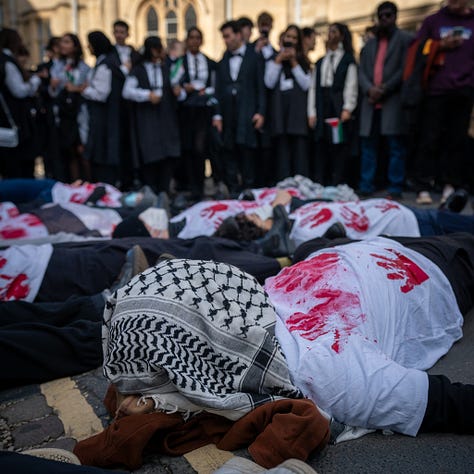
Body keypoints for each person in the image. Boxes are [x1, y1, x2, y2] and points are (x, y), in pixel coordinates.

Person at [265, 232, 474, 436]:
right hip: (422, 265)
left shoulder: (251, 306)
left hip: (343, 249)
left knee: (308, 246)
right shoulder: (327, 374)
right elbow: (446, 402)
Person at [412, 0, 474, 206]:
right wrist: (440, 46)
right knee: (430, 138)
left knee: (457, 140)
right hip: (436, 90)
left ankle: (451, 184)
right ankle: (423, 184)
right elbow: (417, 50)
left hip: (464, 90)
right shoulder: (434, 20)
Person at [358, 2, 413, 198]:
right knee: (368, 147)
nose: (384, 19)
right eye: (381, 16)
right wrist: (369, 89)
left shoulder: (406, 40)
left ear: (395, 17)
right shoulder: (369, 45)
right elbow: (361, 71)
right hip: (370, 102)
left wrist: (385, 88)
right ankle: (366, 186)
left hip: (392, 101)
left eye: (388, 15)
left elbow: (405, 69)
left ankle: (395, 187)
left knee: (395, 147)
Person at [123, 36, 182, 195]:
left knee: (168, 155)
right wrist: (147, 95)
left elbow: (176, 87)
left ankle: (164, 190)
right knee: (150, 154)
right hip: (147, 119)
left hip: (166, 117)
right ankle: (152, 190)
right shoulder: (139, 70)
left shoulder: (166, 68)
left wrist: (178, 91)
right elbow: (127, 91)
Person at [213, 20, 266, 195]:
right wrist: (218, 115)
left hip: (248, 113)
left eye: (228, 36)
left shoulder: (254, 57)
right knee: (229, 152)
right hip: (228, 116)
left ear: (238, 35)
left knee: (248, 154)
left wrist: (260, 112)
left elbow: (260, 87)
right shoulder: (222, 61)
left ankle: (249, 191)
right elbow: (218, 91)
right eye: (223, 37)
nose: (226, 40)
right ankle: (233, 191)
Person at [308, 23, 358, 186]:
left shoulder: (347, 60)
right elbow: (313, 87)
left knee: (338, 143)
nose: (330, 35)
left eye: (334, 32)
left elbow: (351, 85)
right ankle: (322, 180)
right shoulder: (321, 62)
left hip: (337, 105)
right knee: (322, 143)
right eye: (329, 32)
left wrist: (347, 107)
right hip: (323, 104)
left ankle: (338, 180)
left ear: (342, 36)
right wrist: (312, 111)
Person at [265, 25, 311, 181]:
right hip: (280, 114)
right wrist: (279, 60)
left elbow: (306, 84)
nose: (290, 40)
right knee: (282, 154)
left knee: (299, 153)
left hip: (297, 115)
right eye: (287, 37)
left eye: (294, 37)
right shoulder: (273, 60)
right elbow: (269, 83)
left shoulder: (303, 61)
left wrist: (293, 61)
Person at [178, 27, 216, 201]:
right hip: (185, 109)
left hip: (202, 109)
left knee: (200, 148)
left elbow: (214, 85)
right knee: (187, 148)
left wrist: (205, 91)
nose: (194, 41)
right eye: (191, 38)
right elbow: (174, 82)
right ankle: (189, 186)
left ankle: (199, 187)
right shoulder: (180, 62)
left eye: (197, 38)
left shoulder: (208, 62)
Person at [82, 31, 125, 186]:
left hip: (105, 120)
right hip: (103, 120)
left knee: (104, 156)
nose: (88, 47)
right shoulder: (105, 63)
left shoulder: (105, 65)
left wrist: (83, 89)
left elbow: (101, 93)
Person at [49, 33, 91, 182]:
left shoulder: (83, 67)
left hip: (78, 112)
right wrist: (54, 86)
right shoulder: (57, 66)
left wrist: (76, 88)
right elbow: (53, 91)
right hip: (64, 113)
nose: (63, 45)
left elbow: (87, 87)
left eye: (67, 42)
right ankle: (75, 184)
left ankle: (89, 183)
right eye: (61, 42)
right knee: (69, 151)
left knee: (82, 150)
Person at [0, 28, 41, 178]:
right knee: (18, 165)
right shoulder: (7, 62)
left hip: (10, 120)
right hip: (16, 120)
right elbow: (19, 91)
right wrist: (35, 81)